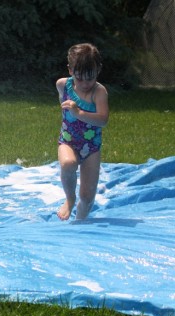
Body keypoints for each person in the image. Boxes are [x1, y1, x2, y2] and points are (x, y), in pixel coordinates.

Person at [56, 43, 109, 221]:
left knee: (87, 198)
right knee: (68, 163)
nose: (85, 83)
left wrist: (78, 112)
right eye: (80, 78)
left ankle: (80, 223)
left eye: (90, 78)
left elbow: (103, 120)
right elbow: (64, 113)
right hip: (68, 141)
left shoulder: (99, 92)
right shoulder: (63, 86)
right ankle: (70, 200)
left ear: (98, 70)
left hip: (91, 147)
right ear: (70, 70)